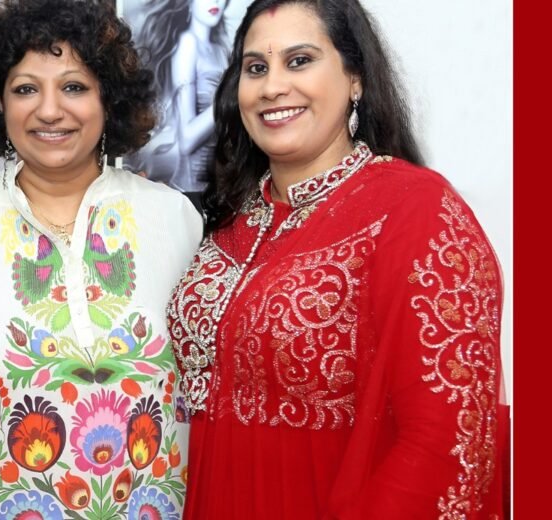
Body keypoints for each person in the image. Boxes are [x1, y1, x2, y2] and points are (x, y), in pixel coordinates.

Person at [166, 0, 508, 518]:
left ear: (355, 78)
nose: (272, 86)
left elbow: (447, 443)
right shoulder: (232, 225)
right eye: (256, 68)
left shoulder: (414, 210)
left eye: (299, 61)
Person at [0, 0, 204, 517]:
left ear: (107, 98)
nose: (50, 110)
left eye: (74, 87)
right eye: (26, 89)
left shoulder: (175, 217)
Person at [125, 0, 232, 192]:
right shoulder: (188, 44)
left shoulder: (221, 50)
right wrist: (228, 99)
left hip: (218, 190)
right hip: (190, 190)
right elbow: (187, 140)